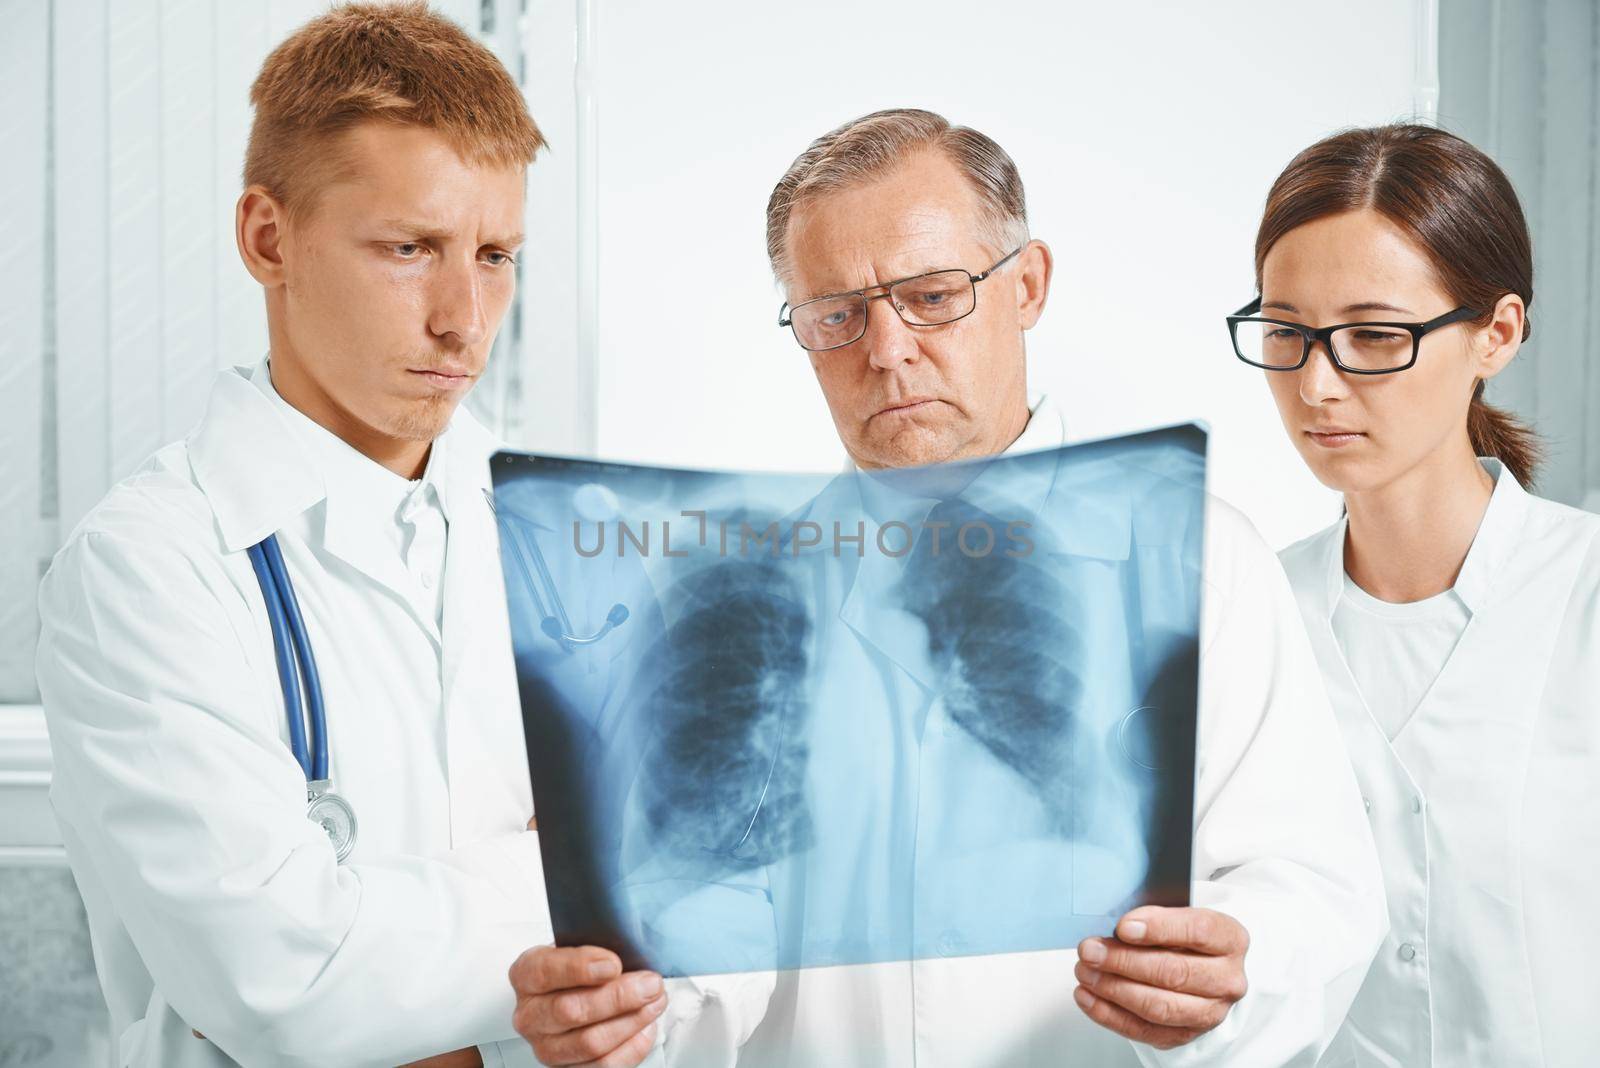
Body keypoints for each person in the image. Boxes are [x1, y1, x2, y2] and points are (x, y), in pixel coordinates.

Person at [511, 108, 1388, 1067]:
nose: (885, 349)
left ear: (1029, 285)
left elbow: (1312, 887)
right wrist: (629, 1008)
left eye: (932, 295)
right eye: (836, 314)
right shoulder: (741, 586)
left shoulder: (1197, 559)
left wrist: (1229, 973)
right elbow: (708, 917)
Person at [33, 5, 659, 1065]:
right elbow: (282, 989)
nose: (465, 317)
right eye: (410, 248)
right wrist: (581, 876)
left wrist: (376, 928)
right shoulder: (145, 568)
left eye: (496, 253)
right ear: (268, 239)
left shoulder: (575, 532)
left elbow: (712, 895)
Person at [1232, 123, 1600, 1067]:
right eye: (1286, 333)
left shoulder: (1584, 593)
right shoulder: (1245, 613)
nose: (1317, 384)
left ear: (1498, 333)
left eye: (1373, 335)